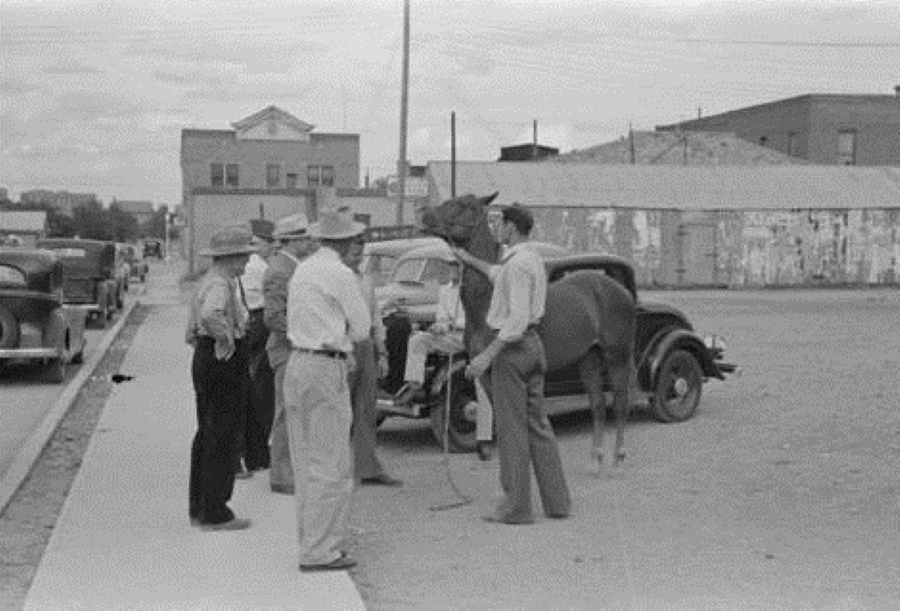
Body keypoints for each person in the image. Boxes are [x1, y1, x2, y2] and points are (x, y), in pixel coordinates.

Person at [452, 203, 571, 525]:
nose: (496, 229)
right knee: (538, 426)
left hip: (512, 351)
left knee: (512, 431)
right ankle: (558, 503)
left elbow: (515, 321)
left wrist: (485, 356)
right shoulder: (528, 259)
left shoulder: (517, 265)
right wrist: (468, 259)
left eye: (500, 224)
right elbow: (496, 275)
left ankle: (515, 508)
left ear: (511, 227)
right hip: (533, 346)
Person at [283, 207, 371, 572]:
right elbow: (362, 328)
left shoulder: (304, 269)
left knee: (305, 460)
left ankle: (311, 539)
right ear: (346, 242)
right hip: (325, 364)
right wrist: (342, 336)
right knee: (331, 464)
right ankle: (320, 549)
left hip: (297, 361)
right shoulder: (340, 274)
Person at [184, 225, 257, 531]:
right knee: (222, 434)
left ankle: (200, 506)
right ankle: (216, 510)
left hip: (206, 357)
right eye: (243, 256)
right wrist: (227, 338)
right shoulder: (220, 285)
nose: (247, 262)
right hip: (222, 362)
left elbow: (194, 324)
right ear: (231, 257)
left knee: (208, 431)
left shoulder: (209, 280)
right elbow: (211, 314)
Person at [393, 251, 494, 460]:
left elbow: (479, 320)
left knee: (483, 388)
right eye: (450, 266)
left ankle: (484, 438)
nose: (452, 270)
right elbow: (442, 316)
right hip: (451, 337)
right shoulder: (445, 290)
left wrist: (451, 325)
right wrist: (439, 326)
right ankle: (414, 383)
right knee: (418, 339)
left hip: (473, 340)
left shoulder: (475, 291)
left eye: (456, 266)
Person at [344, 222, 403, 487]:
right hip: (344, 345)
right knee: (342, 411)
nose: (357, 254)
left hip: (365, 344)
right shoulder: (338, 278)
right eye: (353, 249)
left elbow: (375, 315)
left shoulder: (365, 279)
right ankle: (342, 471)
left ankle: (367, 467)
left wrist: (382, 350)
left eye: (361, 249)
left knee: (366, 409)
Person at [262, 212, 315, 494]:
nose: (309, 242)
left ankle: (290, 468)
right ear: (293, 241)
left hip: (294, 348)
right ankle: (281, 473)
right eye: (305, 238)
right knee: (286, 411)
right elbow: (273, 317)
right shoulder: (280, 270)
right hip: (287, 350)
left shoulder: (291, 267)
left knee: (295, 410)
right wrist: (302, 336)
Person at [234, 221, 276, 478]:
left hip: (249, 323)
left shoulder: (249, 266)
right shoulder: (259, 267)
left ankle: (254, 451)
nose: (266, 248)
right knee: (261, 391)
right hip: (258, 322)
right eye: (263, 243)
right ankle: (254, 450)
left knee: (253, 390)